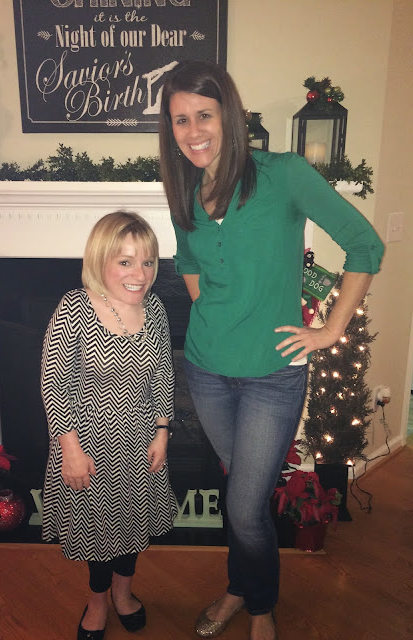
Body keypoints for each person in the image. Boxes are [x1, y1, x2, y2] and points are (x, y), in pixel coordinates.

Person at [158, 60, 384, 640]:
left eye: (204, 115)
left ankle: (259, 606)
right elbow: (188, 263)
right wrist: (219, 314)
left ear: (228, 115)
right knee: (244, 497)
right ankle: (241, 587)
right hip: (206, 370)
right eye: (180, 120)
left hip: (272, 377)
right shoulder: (183, 186)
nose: (193, 131)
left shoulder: (283, 174)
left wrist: (329, 331)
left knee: (242, 504)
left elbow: (365, 245)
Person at [40, 211, 177, 640]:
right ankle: (98, 599)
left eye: (148, 262)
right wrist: (70, 449)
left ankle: (123, 592)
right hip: (86, 444)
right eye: (126, 262)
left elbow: (163, 375)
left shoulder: (154, 309)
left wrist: (162, 432)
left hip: (139, 442)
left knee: (133, 523)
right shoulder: (74, 309)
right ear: (100, 261)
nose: (140, 274)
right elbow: (53, 382)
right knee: (97, 531)